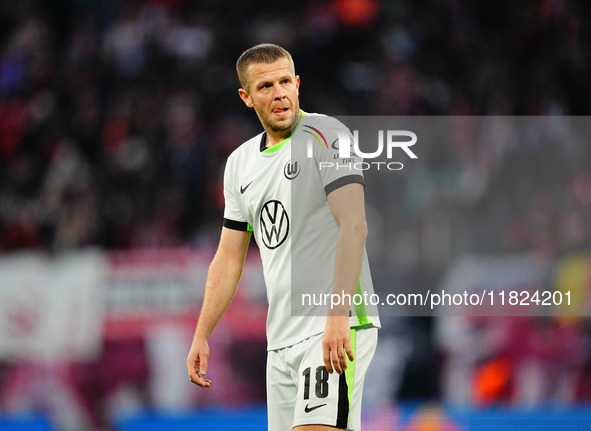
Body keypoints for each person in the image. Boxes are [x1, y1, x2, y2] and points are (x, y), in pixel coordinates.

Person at [186, 43, 380, 431]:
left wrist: (338, 316)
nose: (279, 93)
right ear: (246, 97)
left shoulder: (327, 136)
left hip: (333, 325)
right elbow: (228, 257)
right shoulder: (240, 163)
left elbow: (354, 225)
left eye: (285, 81)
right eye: (265, 86)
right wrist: (202, 333)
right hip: (281, 340)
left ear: (297, 83)